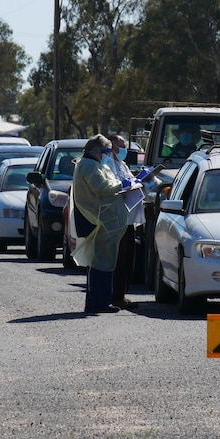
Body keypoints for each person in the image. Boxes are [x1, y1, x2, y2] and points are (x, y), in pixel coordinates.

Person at [71, 134, 130, 314]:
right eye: (106, 151)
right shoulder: (89, 165)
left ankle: (99, 302)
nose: (108, 155)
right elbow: (102, 187)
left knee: (102, 262)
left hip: (105, 220)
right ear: (95, 151)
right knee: (102, 264)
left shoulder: (92, 164)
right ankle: (100, 303)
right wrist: (123, 185)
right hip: (102, 221)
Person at [106, 134, 143, 310]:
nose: (123, 150)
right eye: (120, 146)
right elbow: (112, 186)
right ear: (111, 146)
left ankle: (122, 295)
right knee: (118, 260)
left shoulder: (122, 164)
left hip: (129, 219)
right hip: (116, 219)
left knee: (129, 259)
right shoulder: (106, 165)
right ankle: (115, 296)